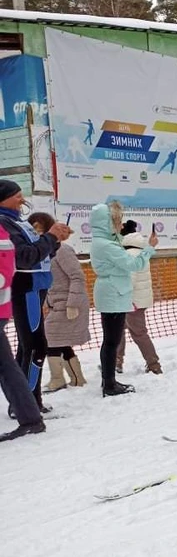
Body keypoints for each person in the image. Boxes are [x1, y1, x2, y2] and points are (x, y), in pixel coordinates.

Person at [0, 181, 68, 413]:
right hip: (24, 288)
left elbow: (39, 252)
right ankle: (29, 403)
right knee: (36, 346)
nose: (22, 200)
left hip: (35, 286)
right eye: (17, 196)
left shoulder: (16, 221)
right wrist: (49, 238)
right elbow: (25, 257)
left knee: (27, 346)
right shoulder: (4, 222)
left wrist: (54, 241)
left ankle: (23, 403)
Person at [89, 202, 158, 396]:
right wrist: (150, 248)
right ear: (107, 223)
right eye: (118, 222)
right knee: (112, 341)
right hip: (114, 293)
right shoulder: (107, 245)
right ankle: (109, 384)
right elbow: (134, 264)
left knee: (111, 340)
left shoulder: (105, 242)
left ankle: (109, 381)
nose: (120, 226)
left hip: (114, 292)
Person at [0, 221, 47, 441]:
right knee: (15, 358)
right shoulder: (8, 226)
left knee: (33, 348)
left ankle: (30, 414)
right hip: (23, 293)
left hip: (26, 291)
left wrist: (51, 241)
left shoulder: (7, 227)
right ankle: (30, 415)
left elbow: (24, 258)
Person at [37, 213, 88, 392]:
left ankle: (58, 379)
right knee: (60, 340)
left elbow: (77, 276)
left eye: (37, 228)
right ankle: (77, 378)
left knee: (50, 338)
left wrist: (72, 303)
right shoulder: (45, 250)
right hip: (56, 304)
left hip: (68, 303)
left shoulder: (62, 250)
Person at [117, 220, 162, 375]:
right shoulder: (140, 251)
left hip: (130, 301)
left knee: (138, 333)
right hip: (137, 299)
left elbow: (129, 280)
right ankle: (116, 361)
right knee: (119, 331)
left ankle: (153, 364)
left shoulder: (129, 254)